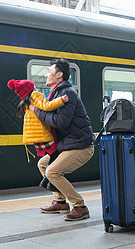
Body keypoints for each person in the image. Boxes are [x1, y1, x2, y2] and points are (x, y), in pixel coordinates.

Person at [29, 58, 94, 221]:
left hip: (81, 146)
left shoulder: (67, 94)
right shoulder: (56, 94)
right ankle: (60, 202)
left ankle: (80, 206)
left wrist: (37, 111)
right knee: (42, 164)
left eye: (49, 72)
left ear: (59, 75)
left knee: (52, 171)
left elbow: (60, 121)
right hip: (69, 144)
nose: (46, 75)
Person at [8, 79, 68, 191]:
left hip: (35, 138)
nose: (35, 88)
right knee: (55, 156)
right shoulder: (35, 95)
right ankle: (48, 180)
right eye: (33, 86)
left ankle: (48, 181)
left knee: (53, 156)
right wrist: (61, 101)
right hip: (43, 134)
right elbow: (47, 106)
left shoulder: (25, 102)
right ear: (31, 89)